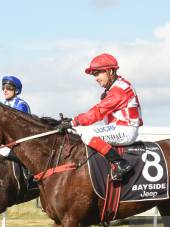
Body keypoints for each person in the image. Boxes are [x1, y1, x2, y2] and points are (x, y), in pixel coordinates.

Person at [59, 53, 141, 181]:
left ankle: (121, 164)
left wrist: (74, 121)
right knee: (81, 132)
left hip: (125, 130)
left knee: (88, 135)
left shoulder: (119, 89)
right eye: (94, 75)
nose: (96, 78)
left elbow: (97, 112)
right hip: (118, 128)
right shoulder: (114, 88)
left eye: (98, 73)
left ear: (111, 71)